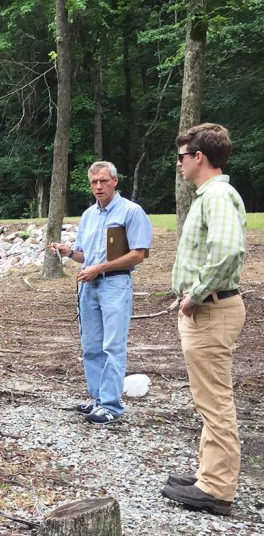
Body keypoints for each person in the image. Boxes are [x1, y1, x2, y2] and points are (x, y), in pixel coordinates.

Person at [161, 123, 246, 516]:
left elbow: (227, 251)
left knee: (215, 402)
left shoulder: (218, 195)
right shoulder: (208, 196)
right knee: (207, 399)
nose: (177, 164)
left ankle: (217, 489)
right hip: (207, 309)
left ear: (199, 157)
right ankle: (206, 475)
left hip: (211, 309)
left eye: (181, 156)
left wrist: (194, 295)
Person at [48, 161, 152, 425]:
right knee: (91, 346)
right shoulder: (88, 215)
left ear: (115, 181)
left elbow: (138, 254)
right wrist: (69, 252)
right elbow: (85, 255)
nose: (98, 187)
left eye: (103, 181)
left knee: (112, 346)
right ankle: (97, 400)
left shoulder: (131, 212)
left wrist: (100, 268)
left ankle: (111, 406)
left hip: (115, 284)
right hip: (89, 285)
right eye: (94, 182)